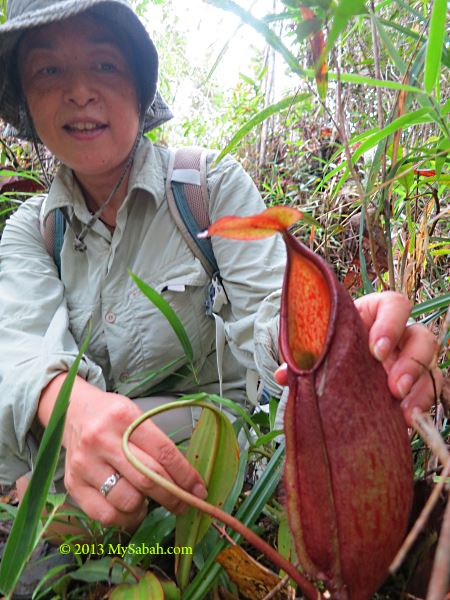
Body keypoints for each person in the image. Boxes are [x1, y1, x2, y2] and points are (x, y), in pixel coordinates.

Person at [0, 0, 443, 539]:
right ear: (25, 96)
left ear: (141, 88)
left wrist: (342, 342)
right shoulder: (32, 229)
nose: (78, 91)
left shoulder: (205, 189)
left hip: (204, 444)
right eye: (48, 70)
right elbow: (21, 347)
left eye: (105, 64)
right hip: (92, 453)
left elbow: (268, 309)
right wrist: (71, 410)